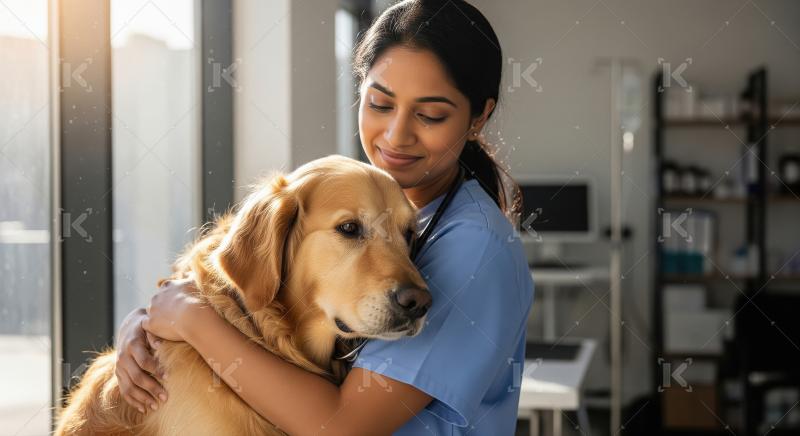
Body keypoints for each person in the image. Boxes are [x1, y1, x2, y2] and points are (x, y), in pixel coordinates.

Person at [114, 0, 535, 433]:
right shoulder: (378, 202)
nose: (396, 135)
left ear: (478, 117)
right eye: (380, 104)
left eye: (430, 114)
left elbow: (341, 427)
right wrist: (149, 326)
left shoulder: (474, 246)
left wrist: (190, 320)